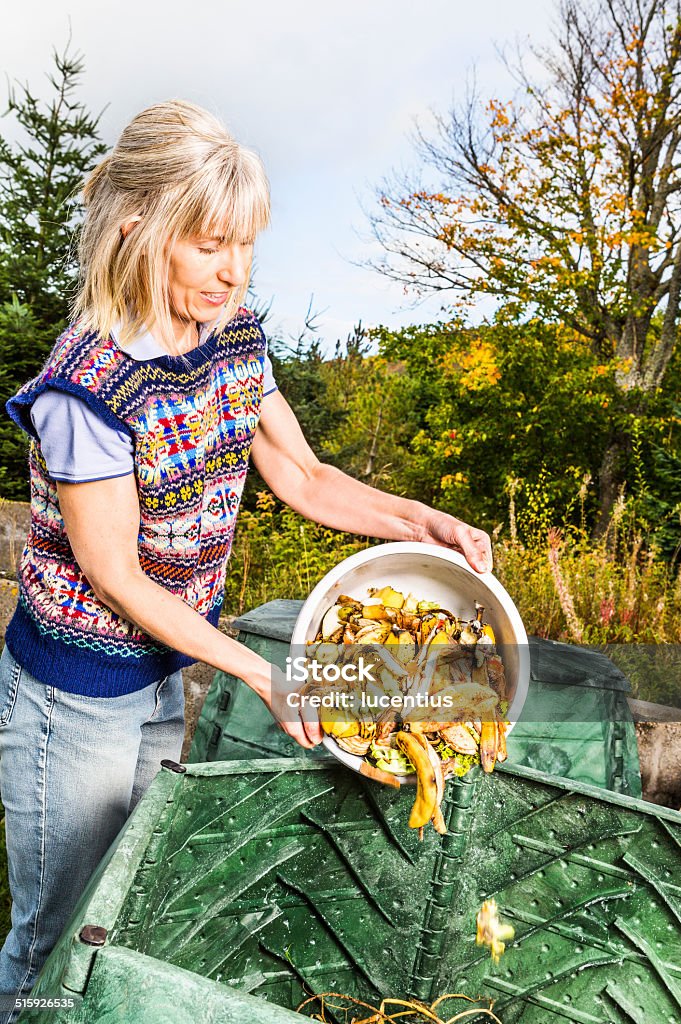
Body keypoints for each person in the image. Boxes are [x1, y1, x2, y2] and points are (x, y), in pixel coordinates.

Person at [0, 99, 492, 1018]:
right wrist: (266, 677)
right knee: (54, 932)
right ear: (141, 229)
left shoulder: (230, 336)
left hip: (156, 674)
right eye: (209, 245)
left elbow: (303, 476)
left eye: (246, 247)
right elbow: (118, 577)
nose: (232, 272)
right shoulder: (86, 387)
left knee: (123, 907)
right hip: (72, 698)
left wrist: (415, 520)